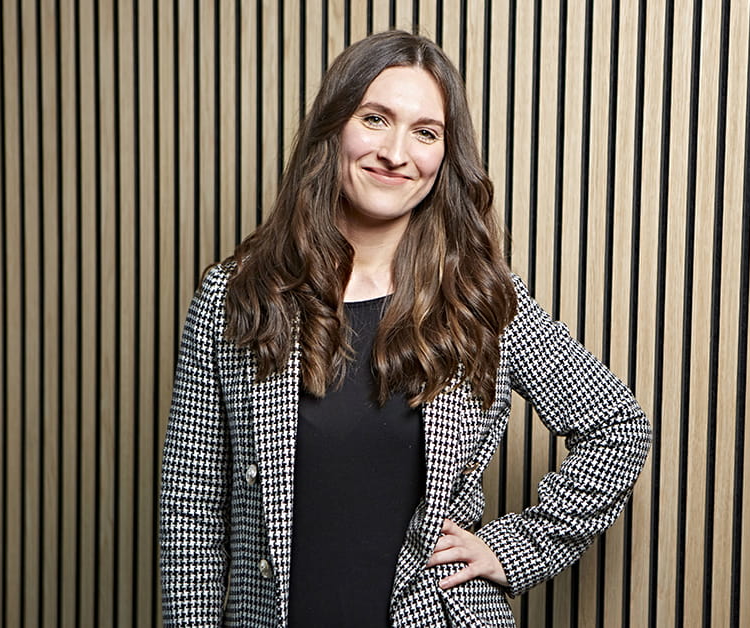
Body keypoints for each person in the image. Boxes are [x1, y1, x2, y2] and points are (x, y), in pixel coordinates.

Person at [160, 29, 651, 627]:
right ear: (334, 128)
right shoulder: (236, 296)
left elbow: (618, 426)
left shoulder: (477, 299)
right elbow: (191, 516)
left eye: (425, 133)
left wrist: (512, 549)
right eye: (375, 119)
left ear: (445, 157)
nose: (397, 152)